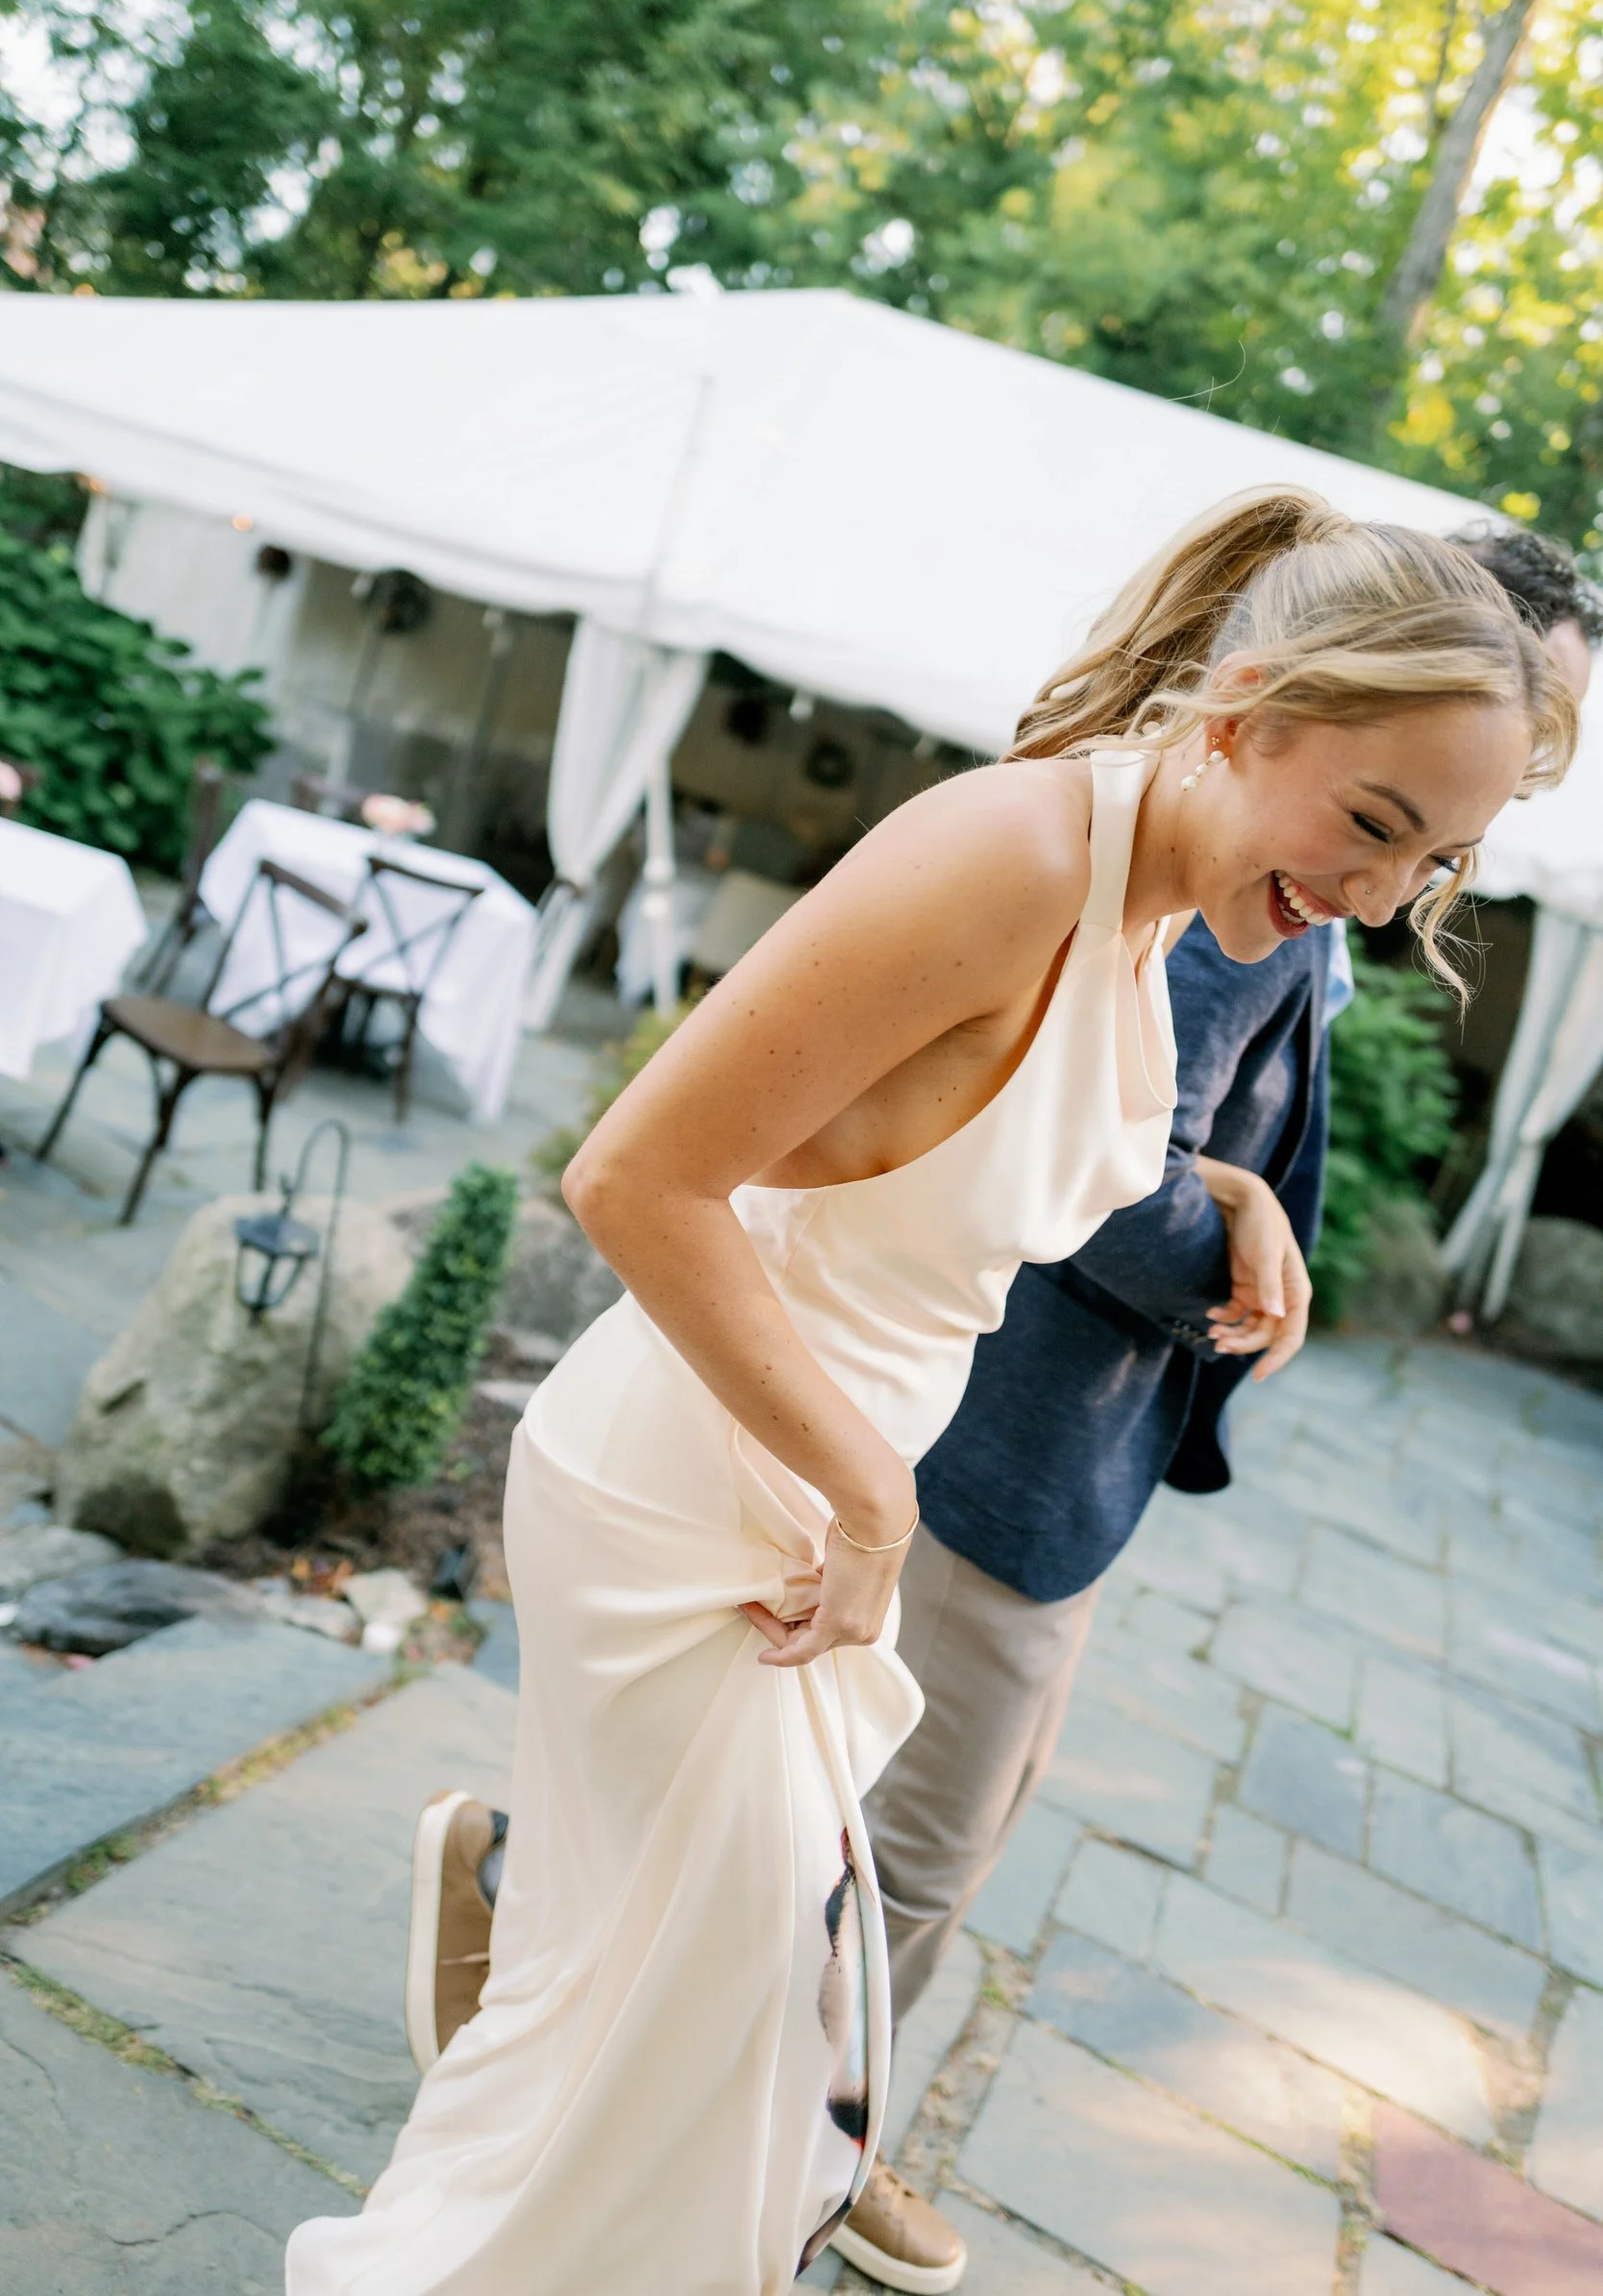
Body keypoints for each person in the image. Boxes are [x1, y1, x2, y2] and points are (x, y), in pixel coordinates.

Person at [287, 488, 1573, 2296]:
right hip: (713, 1499)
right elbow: (635, 1179)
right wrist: (872, 1500)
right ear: (1255, 701)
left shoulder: (1150, 896)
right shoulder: (1021, 851)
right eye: (1371, 824)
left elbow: (980, 1132)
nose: (1375, 898)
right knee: (702, 2063)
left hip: (801, 1503)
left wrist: (1227, 1186)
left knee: (668, 2059)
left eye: (1429, 866)